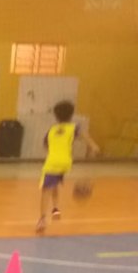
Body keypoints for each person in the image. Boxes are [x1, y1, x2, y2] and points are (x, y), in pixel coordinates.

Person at [36, 100, 99, 233]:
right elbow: (87, 138)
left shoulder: (51, 130)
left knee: (45, 190)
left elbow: (45, 146)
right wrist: (93, 147)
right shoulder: (74, 127)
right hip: (66, 162)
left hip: (52, 162)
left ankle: (42, 219)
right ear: (71, 114)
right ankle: (56, 209)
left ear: (56, 115)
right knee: (54, 183)